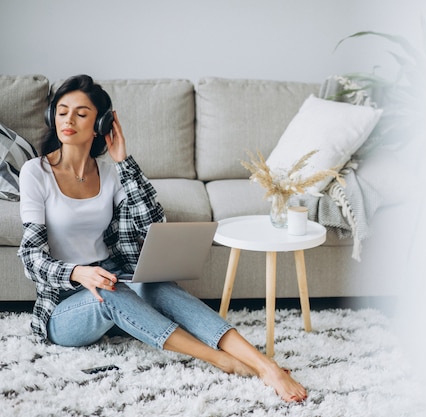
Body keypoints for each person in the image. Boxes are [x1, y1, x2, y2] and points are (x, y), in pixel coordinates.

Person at [17, 74, 307, 403]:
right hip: (64, 310)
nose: (68, 120)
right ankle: (220, 359)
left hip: (115, 282)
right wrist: (78, 272)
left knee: (159, 287)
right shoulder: (35, 172)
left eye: (81, 114)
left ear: (100, 123)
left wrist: (124, 161)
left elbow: (153, 222)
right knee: (107, 290)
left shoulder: (110, 174)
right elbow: (31, 256)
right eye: (62, 111)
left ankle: (265, 365)